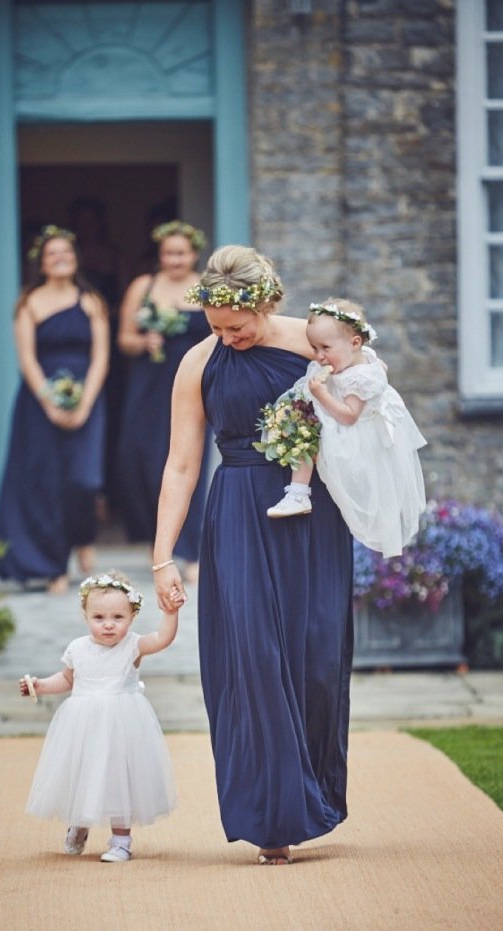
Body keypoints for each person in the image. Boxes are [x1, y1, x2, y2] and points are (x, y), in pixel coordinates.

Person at [152, 245, 353, 865]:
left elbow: (369, 410)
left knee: (317, 657)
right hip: (238, 510)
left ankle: (312, 793)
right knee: (254, 659)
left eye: (235, 326)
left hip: (314, 511)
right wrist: (163, 558)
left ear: (265, 304)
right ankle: (273, 818)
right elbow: (183, 464)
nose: (227, 337)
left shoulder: (313, 342)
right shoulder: (198, 363)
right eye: (215, 327)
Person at [22, 570, 181, 862]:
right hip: (83, 724)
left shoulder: (133, 645)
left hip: (123, 724)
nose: (108, 625)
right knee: (84, 773)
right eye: (99, 618)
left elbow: (162, 638)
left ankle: (121, 841)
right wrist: (41, 686)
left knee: (120, 779)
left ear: (131, 617)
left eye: (118, 618)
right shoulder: (78, 648)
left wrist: (171, 611)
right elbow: (68, 679)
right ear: (86, 616)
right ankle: (79, 824)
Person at [265, 298, 427, 558]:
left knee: (305, 427)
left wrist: (320, 394)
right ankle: (297, 491)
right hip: (339, 419)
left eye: (325, 347)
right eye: (314, 347)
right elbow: (378, 364)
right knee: (298, 418)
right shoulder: (358, 358)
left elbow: (349, 416)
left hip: (350, 434)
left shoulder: (360, 376)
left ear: (355, 343)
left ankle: (298, 493)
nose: (318, 356)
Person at [0, 225, 109, 594]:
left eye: (67, 252)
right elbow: (26, 359)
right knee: (46, 485)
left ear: (75, 258)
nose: (61, 258)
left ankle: (84, 538)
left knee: (83, 480)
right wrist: (49, 401)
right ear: (41, 263)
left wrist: (84, 405)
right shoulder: (29, 303)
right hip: (38, 403)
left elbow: (101, 358)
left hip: (87, 398)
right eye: (52, 254)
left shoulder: (91, 300)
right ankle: (54, 566)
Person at [117, 221, 212, 583]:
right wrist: (143, 343)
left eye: (182, 253)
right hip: (150, 383)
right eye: (169, 253)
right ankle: (160, 541)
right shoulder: (143, 286)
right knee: (138, 457)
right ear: (160, 254)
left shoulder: (205, 288)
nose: (175, 259)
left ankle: (190, 550)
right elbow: (124, 338)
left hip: (192, 381)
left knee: (188, 460)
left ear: (194, 254)